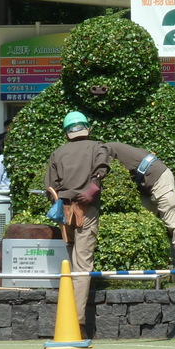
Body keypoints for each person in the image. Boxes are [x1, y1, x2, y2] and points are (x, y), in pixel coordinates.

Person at [44, 112, 110, 326]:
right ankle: (76, 320)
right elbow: (102, 167)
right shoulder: (97, 146)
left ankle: (67, 310)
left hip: (64, 209)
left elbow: (50, 187)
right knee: (82, 264)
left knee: (70, 259)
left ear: (67, 133)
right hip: (87, 208)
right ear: (87, 128)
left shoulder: (58, 153)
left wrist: (60, 201)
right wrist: (93, 186)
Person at [103, 141, 175, 268]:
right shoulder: (110, 147)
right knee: (144, 221)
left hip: (159, 177)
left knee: (174, 219)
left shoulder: (104, 150)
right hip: (145, 184)